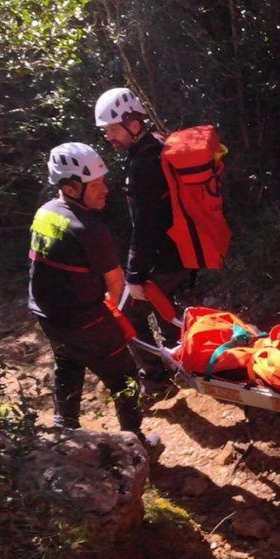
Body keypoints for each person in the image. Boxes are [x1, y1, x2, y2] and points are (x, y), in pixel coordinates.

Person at [28, 143, 157, 450]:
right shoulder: (89, 229)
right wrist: (136, 321)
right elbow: (116, 286)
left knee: (68, 363)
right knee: (124, 376)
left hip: (48, 316)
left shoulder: (45, 212)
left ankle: (64, 432)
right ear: (71, 188)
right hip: (85, 321)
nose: (105, 191)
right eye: (96, 185)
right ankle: (135, 444)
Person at [94, 86, 187, 395]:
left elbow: (145, 227)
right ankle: (183, 362)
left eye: (112, 128)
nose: (108, 136)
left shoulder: (143, 163)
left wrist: (134, 274)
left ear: (133, 122)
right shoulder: (157, 144)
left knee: (129, 315)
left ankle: (156, 380)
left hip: (164, 256)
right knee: (165, 307)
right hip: (178, 251)